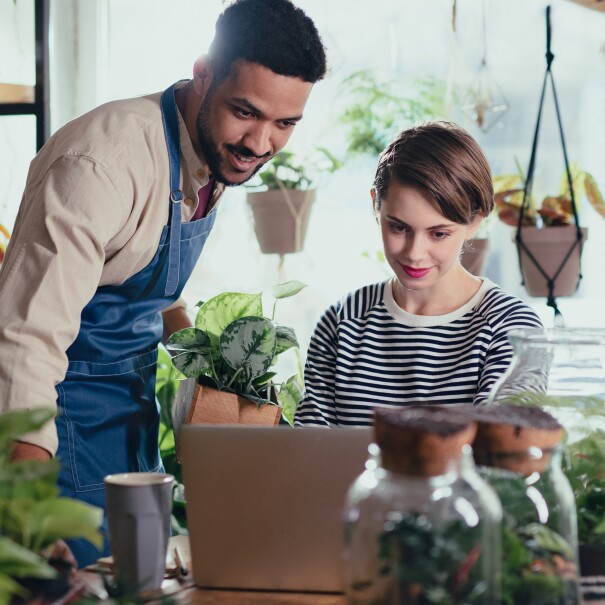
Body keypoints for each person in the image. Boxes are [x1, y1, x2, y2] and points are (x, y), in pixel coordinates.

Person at [0, 0, 326, 565]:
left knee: (142, 580)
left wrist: (220, 381)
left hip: (131, 422)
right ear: (203, 74)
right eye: (245, 111)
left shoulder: (209, 154)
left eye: (285, 123)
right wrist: (26, 508)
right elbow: (24, 338)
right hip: (58, 431)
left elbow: (154, 286)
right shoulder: (102, 163)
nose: (260, 142)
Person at [295, 122, 543, 427]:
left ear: (475, 220)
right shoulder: (341, 323)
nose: (414, 252)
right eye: (399, 227)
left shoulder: (513, 329)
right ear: (376, 203)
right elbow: (310, 452)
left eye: (438, 233)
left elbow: (500, 456)